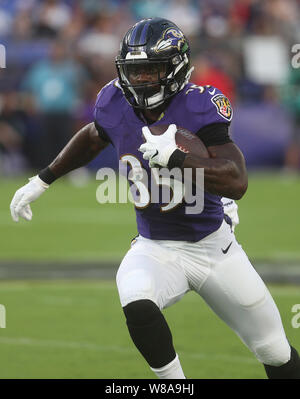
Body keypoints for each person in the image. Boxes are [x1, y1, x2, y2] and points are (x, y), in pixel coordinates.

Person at [10, 17, 300, 379]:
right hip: (155, 246)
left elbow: (237, 180)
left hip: (214, 247)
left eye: (151, 70)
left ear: (176, 68)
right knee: (136, 299)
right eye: (135, 70)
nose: (141, 79)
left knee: (274, 351)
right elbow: (92, 136)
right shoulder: (114, 100)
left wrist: (180, 159)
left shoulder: (199, 105)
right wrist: (43, 178)